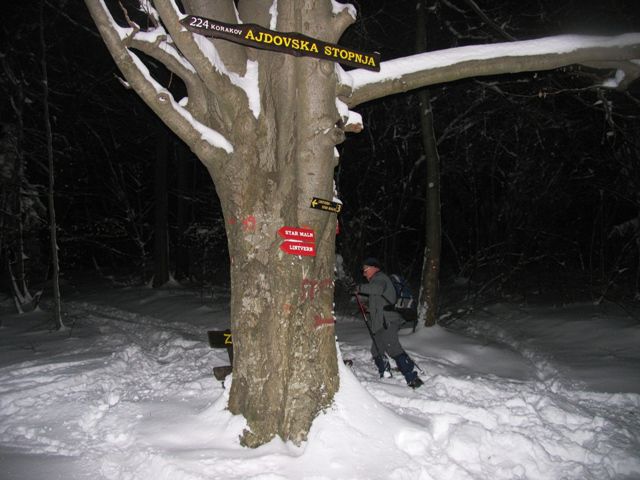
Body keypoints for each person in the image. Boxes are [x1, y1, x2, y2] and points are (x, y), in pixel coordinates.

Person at [355, 257, 423, 389]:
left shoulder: (380, 278)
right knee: (376, 350)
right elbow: (381, 303)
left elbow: (377, 289)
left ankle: (412, 377)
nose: (364, 274)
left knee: (392, 347)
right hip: (381, 322)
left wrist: (358, 288)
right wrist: (368, 309)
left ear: (374, 268)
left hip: (388, 321)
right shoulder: (377, 281)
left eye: (365, 270)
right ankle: (385, 374)